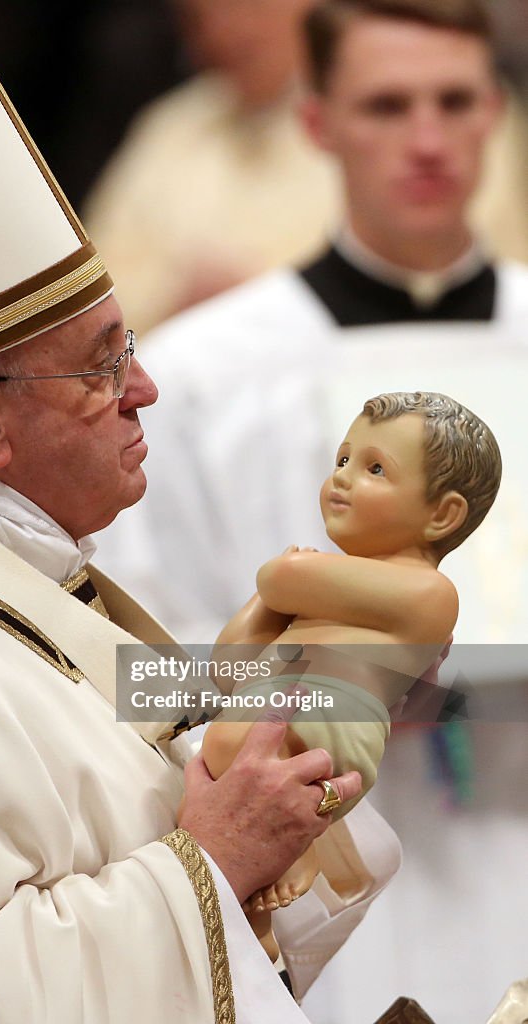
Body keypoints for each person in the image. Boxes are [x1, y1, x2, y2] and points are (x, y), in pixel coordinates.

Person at [0, 3, 403, 1022]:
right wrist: (214, 856)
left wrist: (302, 707)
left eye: (129, 344)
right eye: (103, 366)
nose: (145, 390)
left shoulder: (29, 576)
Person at [94, 1, 528, 1018]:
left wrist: (476, 691)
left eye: (452, 100)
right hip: (320, 888)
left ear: (493, 113)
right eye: (385, 105)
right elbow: (125, 678)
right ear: (317, 122)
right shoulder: (202, 376)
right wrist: (317, 686)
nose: (424, 139)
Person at [202, 390, 501, 959]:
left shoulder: (429, 593)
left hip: (334, 726)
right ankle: (259, 909)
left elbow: (281, 577)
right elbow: (229, 664)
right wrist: (272, 598)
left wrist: (287, 574)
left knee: (230, 740)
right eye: (341, 460)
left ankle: (296, 849)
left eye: (374, 469)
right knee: (225, 752)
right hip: (273, 710)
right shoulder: (330, 592)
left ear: (442, 514)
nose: (341, 479)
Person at [83, 0, 528, 333]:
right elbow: (93, 298)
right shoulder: (172, 128)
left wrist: (263, 307)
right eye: (202, 17)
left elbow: (450, 264)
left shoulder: (412, 94)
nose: (226, 31)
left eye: (250, 8)